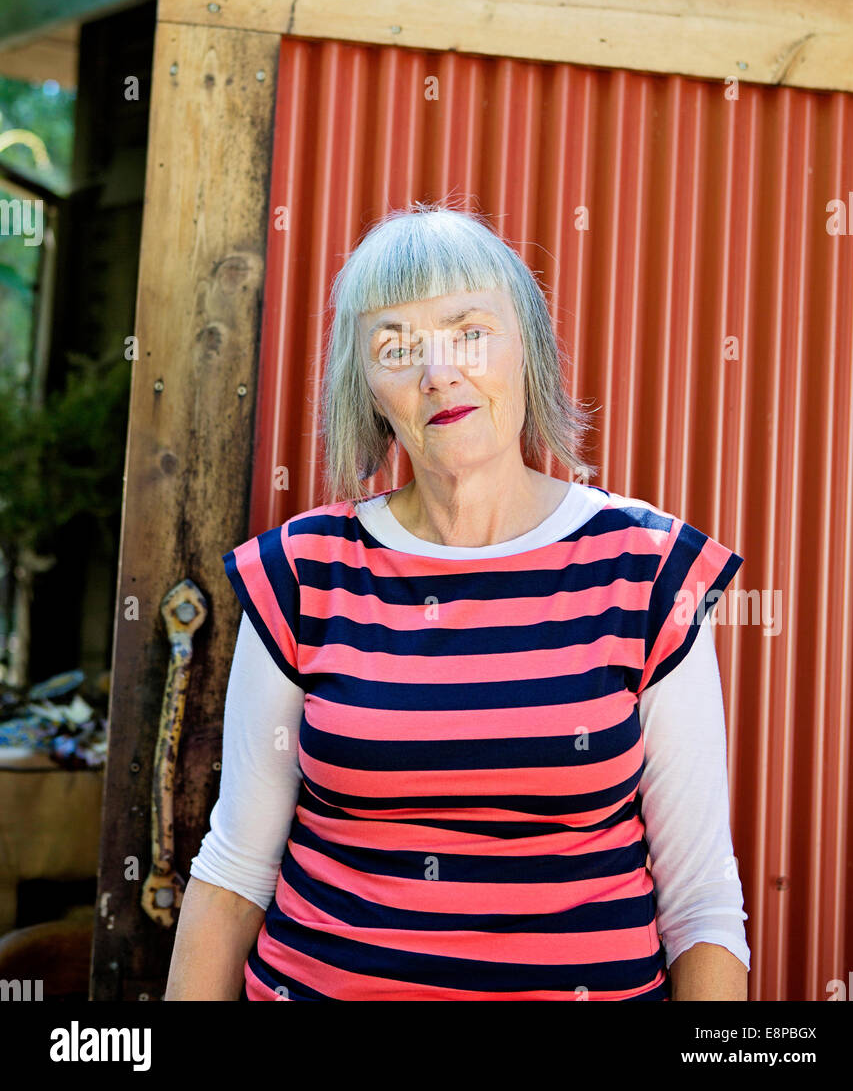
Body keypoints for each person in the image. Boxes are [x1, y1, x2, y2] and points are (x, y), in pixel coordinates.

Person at [165, 202, 750, 1001]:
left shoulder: (647, 569)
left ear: (528, 350)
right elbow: (234, 871)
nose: (437, 370)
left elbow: (701, 904)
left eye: (469, 330)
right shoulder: (304, 572)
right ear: (367, 390)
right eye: (394, 345)